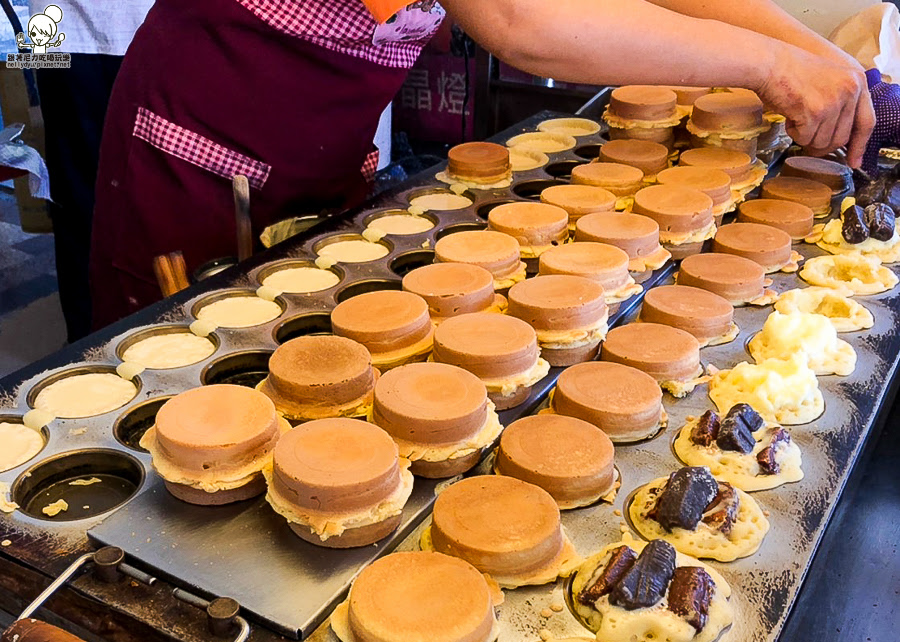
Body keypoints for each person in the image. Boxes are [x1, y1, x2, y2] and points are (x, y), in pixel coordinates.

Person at [90, 0, 875, 329]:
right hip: (209, 158)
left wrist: (827, 63)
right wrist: (771, 68)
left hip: (320, 151)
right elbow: (517, 18)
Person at [26, 1, 153, 341]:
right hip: (65, 33)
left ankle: (117, 336)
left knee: (155, 193)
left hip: (147, 26)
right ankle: (90, 343)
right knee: (80, 197)